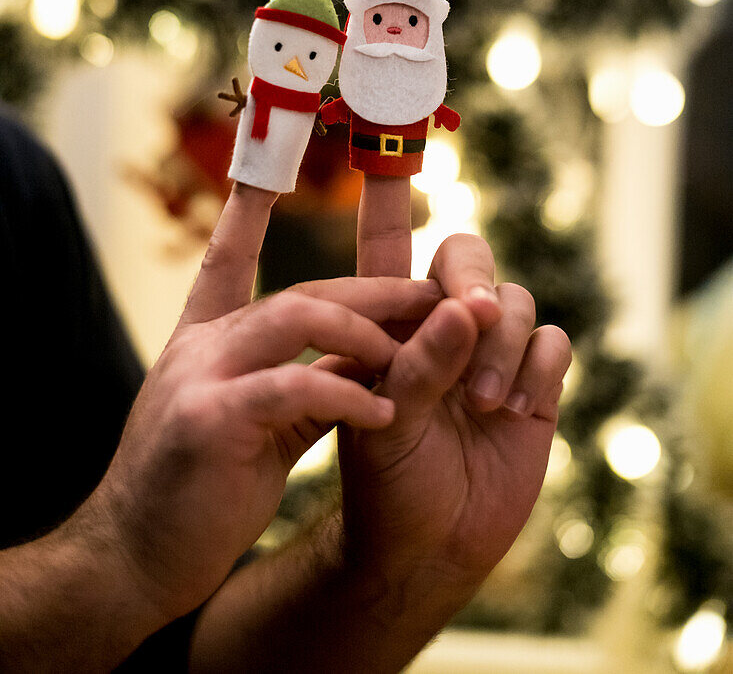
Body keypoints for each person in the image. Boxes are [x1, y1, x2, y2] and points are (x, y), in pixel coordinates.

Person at [0, 104, 571, 672]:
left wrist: (406, 566)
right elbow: (124, 579)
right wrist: (124, 561)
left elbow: (169, 644)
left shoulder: (13, 177)